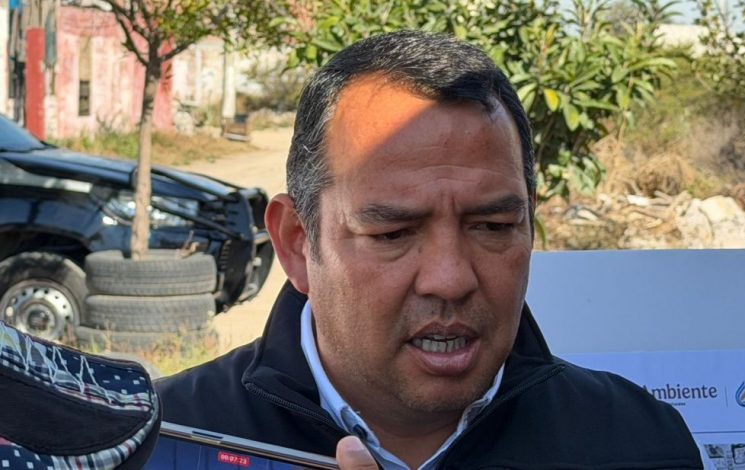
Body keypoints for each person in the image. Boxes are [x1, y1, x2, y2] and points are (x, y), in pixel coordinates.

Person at [156, 31, 703, 469]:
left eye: (493, 226)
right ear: (297, 244)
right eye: (393, 234)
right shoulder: (166, 443)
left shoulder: (640, 442)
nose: (450, 278)